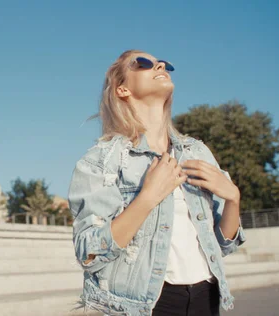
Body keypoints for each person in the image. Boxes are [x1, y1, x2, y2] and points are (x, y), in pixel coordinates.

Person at [67, 50, 246, 316]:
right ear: (122, 89)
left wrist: (233, 198)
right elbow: (90, 253)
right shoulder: (101, 161)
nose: (160, 65)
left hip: (206, 296)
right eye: (143, 63)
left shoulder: (196, 152)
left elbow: (225, 244)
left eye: (163, 63)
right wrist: (147, 198)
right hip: (145, 303)